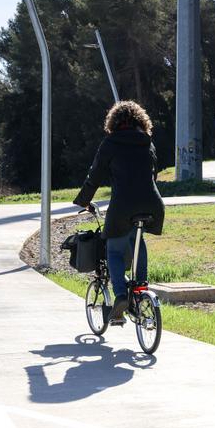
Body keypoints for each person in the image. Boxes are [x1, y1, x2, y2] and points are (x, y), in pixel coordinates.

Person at [74, 101, 165, 322]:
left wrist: (83, 200)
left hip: (123, 205)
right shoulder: (147, 142)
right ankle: (141, 289)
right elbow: (153, 175)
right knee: (137, 241)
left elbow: (94, 176)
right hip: (152, 203)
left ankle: (122, 295)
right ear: (140, 120)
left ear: (113, 121)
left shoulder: (110, 143)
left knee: (113, 250)